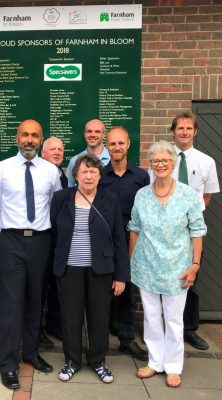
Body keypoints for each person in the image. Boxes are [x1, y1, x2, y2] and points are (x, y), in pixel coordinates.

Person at [0, 119, 60, 390]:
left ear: (40, 140)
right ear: (17, 138)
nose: (29, 139)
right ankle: (8, 364)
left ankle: (30, 353)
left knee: (35, 300)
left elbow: (55, 205)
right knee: (12, 303)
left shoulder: (50, 171)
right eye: (25, 135)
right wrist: (12, 231)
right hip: (12, 242)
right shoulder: (2, 168)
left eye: (35, 135)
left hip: (41, 242)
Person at [128, 140, 206, 388]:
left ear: (173, 164)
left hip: (177, 268)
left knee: (173, 319)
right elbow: (135, 229)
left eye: (164, 160)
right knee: (151, 317)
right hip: (147, 266)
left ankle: (173, 366)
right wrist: (131, 261)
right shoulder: (142, 195)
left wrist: (195, 264)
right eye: (155, 161)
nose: (160, 165)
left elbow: (197, 230)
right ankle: (154, 362)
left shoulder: (188, 195)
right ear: (150, 165)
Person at [50, 155, 130, 384]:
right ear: (75, 175)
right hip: (69, 268)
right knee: (70, 317)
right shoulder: (61, 198)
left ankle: (98, 361)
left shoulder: (110, 200)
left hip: (101, 269)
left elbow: (118, 239)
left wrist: (121, 275)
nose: (88, 175)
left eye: (93, 172)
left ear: (99, 175)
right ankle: (72, 360)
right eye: (84, 171)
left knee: (99, 317)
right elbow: (55, 232)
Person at [171, 112, 220, 351]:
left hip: (191, 231)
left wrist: (192, 218)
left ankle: (189, 329)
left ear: (195, 132)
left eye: (188, 128)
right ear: (173, 131)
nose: (184, 132)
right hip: (167, 229)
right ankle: (167, 327)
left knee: (191, 278)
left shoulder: (205, 161)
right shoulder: (164, 157)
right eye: (180, 128)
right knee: (168, 277)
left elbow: (207, 195)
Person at [101, 127, 149, 361]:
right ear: (106, 146)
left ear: (128, 144)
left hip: (133, 240)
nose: (117, 147)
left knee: (128, 291)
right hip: (105, 241)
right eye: (112, 144)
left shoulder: (141, 177)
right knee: (104, 291)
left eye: (121, 143)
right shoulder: (100, 175)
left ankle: (127, 340)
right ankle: (101, 340)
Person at [39, 136, 67, 349]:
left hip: (61, 239)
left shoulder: (63, 176)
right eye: (52, 149)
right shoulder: (38, 173)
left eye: (60, 149)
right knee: (39, 285)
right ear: (43, 153)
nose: (57, 152)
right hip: (43, 237)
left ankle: (54, 324)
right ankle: (37, 329)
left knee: (58, 283)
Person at [66, 119, 110, 187]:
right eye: (89, 131)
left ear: (104, 135)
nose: (93, 135)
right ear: (85, 134)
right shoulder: (74, 161)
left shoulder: (112, 159)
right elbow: (69, 189)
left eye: (97, 132)